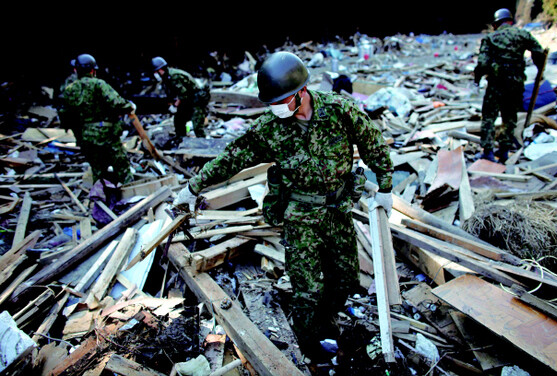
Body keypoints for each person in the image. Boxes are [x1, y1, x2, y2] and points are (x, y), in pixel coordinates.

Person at [173, 51, 394, 363]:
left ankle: (328, 323)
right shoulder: (270, 128)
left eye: (281, 100)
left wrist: (385, 184)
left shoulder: (338, 109)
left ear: (301, 92)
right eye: (271, 102)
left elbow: (371, 141)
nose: (275, 108)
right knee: (307, 291)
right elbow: (233, 158)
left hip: (339, 211)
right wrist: (193, 187)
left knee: (344, 279)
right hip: (301, 215)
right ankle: (309, 349)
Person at [474, 8, 545, 163]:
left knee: (489, 117)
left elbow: (483, 63)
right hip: (515, 84)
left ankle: (488, 151)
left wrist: (478, 78)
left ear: (496, 23)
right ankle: (504, 150)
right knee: (509, 117)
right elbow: (538, 52)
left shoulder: (490, 38)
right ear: (510, 21)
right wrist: (540, 70)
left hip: (496, 85)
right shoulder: (522, 35)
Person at [59, 53, 135, 184]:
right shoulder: (98, 84)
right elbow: (117, 103)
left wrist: (79, 136)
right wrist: (129, 106)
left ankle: (100, 198)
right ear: (93, 70)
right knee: (121, 165)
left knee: (98, 169)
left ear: (76, 70)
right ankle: (131, 195)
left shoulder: (69, 90)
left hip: (87, 136)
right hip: (106, 134)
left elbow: (65, 115)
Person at [151, 57, 211, 139]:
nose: (156, 74)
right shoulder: (167, 77)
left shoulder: (174, 76)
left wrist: (175, 106)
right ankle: (181, 139)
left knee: (197, 125)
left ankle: (203, 144)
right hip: (188, 100)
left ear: (161, 69)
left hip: (196, 100)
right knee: (179, 120)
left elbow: (183, 94)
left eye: (156, 71)